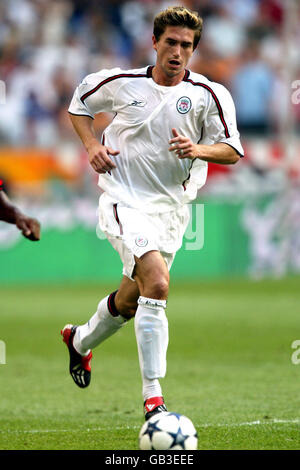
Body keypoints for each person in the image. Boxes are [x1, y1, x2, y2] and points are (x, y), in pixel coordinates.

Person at [61, 6, 244, 421]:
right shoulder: (121, 83)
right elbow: (79, 105)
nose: (178, 52)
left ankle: (79, 341)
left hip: (171, 212)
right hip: (123, 200)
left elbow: (232, 150)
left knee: (130, 301)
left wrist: (199, 149)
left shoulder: (209, 95)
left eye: (186, 45)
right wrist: (92, 146)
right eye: (171, 43)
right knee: (157, 284)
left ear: (194, 49)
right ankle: (153, 398)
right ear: (155, 42)